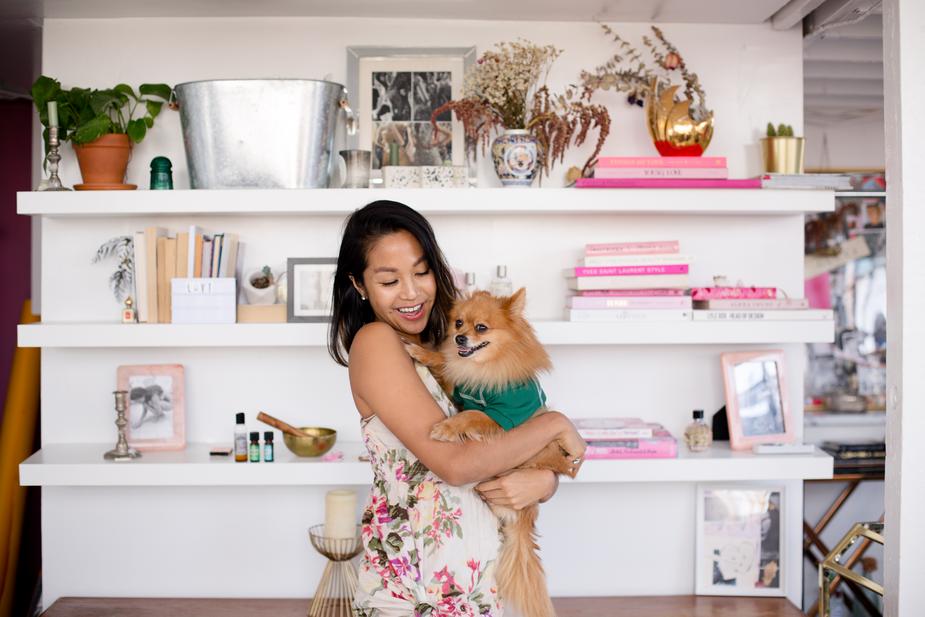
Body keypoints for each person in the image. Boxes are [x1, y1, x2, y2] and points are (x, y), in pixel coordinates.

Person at [328, 200, 585, 616]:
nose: (411, 292)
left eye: (421, 272)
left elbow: (495, 448)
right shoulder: (375, 342)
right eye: (390, 280)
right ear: (359, 285)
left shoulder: (444, 347)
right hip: (416, 590)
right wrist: (554, 423)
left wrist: (543, 482)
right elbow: (457, 465)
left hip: (470, 582)